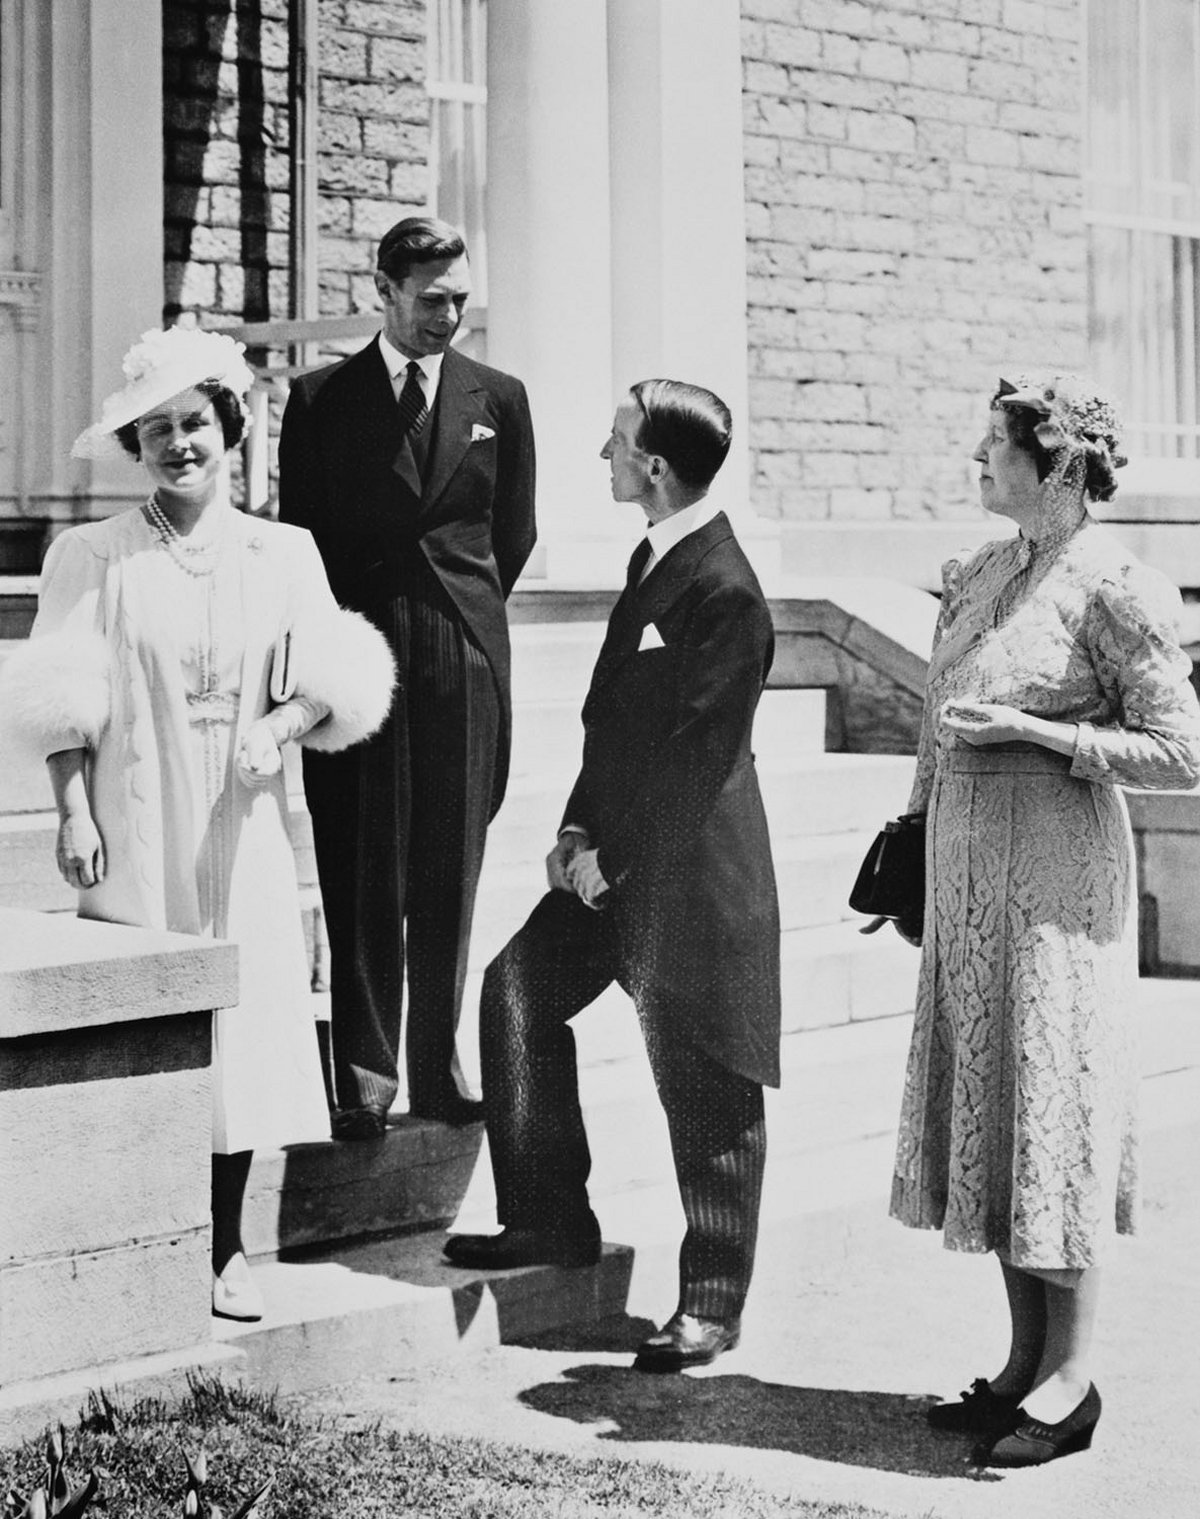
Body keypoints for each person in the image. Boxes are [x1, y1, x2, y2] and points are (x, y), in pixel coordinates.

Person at [0, 326, 396, 1322]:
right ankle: (124, 1238)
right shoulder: (93, 555)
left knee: (249, 1021)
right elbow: (63, 696)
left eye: (196, 423)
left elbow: (334, 678)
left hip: (247, 821)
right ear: (138, 447)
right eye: (160, 430)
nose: (181, 443)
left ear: (232, 426)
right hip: (137, 814)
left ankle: (223, 1244)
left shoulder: (283, 551)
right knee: (148, 1010)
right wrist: (73, 810)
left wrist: (283, 721)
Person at [888, 374, 1200, 1466]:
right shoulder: (976, 572)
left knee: (1051, 1113)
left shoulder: (1119, 588)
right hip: (971, 883)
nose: (977, 459)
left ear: (1058, 465)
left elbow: (1183, 752)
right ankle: (1020, 1364)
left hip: (1061, 890)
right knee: (993, 1099)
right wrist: (917, 842)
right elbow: (937, 723)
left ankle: (1072, 1383)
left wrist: (1045, 734)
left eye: (993, 445)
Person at [444, 380, 781, 1374]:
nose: (603, 452)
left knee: (705, 1076)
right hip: (616, 856)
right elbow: (616, 719)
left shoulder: (728, 590)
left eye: (618, 442)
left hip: (691, 876)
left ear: (657, 469)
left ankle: (710, 1304)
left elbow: (696, 758)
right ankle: (550, 1219)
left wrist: (611, 862)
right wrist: (576, 825)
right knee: (515, 990)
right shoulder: (658, 552)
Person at [277, 216, 536, 1137]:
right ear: (382, 292)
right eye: (431, 301)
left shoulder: (497, 398)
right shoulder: (319, 402)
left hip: (462, 655)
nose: (449, 316)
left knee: (448, 866)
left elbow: (513, 536)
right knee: (360, 863)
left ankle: (438, 1058)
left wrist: (462, 621)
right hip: (359, 653)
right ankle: (365, 1067)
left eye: (461, 299)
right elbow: (298, 545)